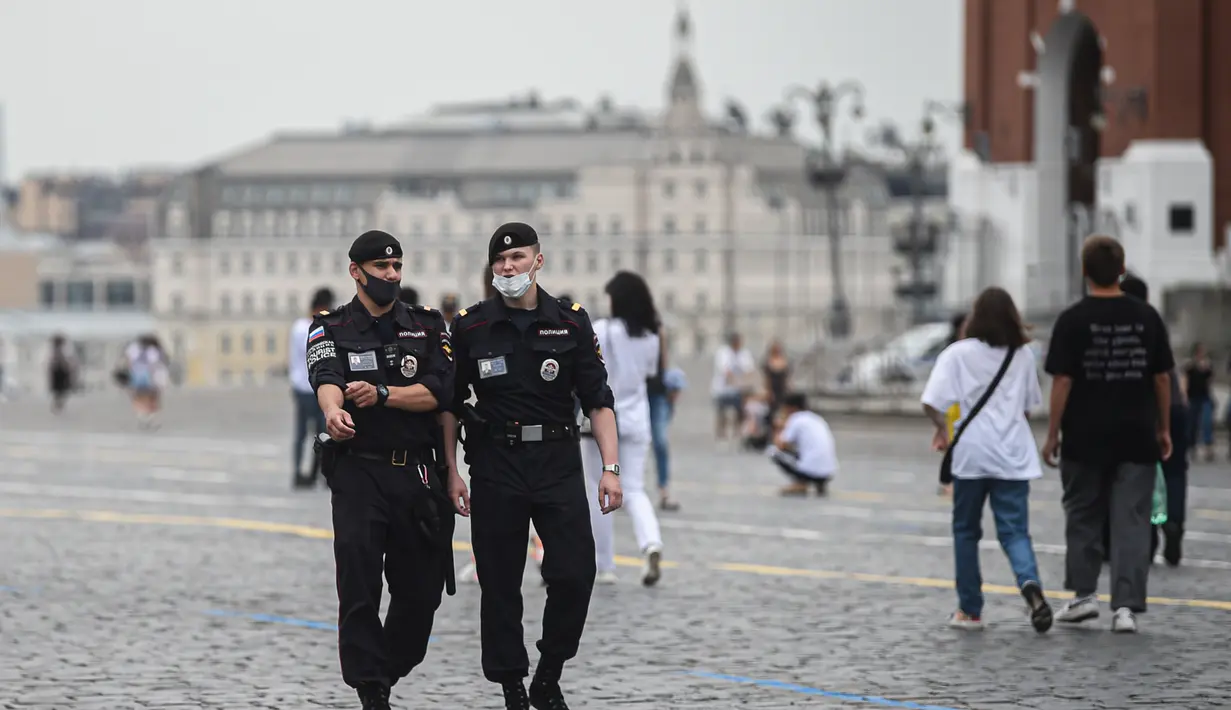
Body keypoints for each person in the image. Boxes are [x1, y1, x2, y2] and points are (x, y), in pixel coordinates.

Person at [441, 222, 621, 710]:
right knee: (499, 582)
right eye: (500, 261)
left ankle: (550, 670)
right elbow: (450, 405)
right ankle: (513, 687)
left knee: (575, 573)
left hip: (558, 461)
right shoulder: (471, 325)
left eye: (517, 258)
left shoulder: (571, 321)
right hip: (497, 463)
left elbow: (598, 400)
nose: (508, 267)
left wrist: (611, 468)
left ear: (538, 260)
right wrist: (452, 471)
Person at [306, 230, 457, 710]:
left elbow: (440, 392)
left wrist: (385, 394)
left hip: (415, 474)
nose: (391, 276)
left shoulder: (428, 326)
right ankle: (371, 690)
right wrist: (333, 412)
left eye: (397, 268)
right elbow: (326, 378)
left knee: (420, 594)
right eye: (381, 269)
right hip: (359, 472)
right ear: (357, 272)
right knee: (359, 581)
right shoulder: (329, 326)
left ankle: (385, 669)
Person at [1043, 234, 1174, 634]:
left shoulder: (1071, 319)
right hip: (1136, 435)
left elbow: (1062, 381)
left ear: (1084, 271)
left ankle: (1083, 597)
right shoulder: (1147, 317)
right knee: (1132, 521)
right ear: (1122, 269)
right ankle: (1126, 608)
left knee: (1083, 515)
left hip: (1084, 435)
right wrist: (1164, 427)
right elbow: (1162, 379)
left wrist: (1052, 435)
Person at [921, 287, 1052, 632]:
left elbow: (931, 401)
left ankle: (970, 610)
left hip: (971, 455)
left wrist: (943, 430)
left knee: (966, 530)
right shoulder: (1023, 356)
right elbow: (1028, 405)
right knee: (1015, 532)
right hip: (1012, 454)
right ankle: (1030, 584)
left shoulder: (957, 354)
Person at [581, 271, 666, 586]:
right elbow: (650, 374)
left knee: (597, 489)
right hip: (637, 417)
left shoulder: (604, 329)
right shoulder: (652, 335)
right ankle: (651, 543)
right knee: (634, 488)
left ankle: (604, 565)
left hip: (604, 419)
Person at [1119, 274, 1189, 566]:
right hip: (1177, 405)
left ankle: (1147, 533)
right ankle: (1173, 524)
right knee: (1174, 473)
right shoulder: (1155, 321)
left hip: (1146, 406)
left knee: (1140, 473)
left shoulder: (1124, 325)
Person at [289, 287, 334, 489]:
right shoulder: (312, 328)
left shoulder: (299, 326)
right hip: (311, 387)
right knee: (320, 433)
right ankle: (317, 474)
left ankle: (303, 473)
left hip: (301, 386)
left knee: (303, 434)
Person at [766, 392, 838, 497]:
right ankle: (820, 484)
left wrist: (778, 427)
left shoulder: (795, 419)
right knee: (808, 452)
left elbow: (781, 445)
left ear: (791, 408)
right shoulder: (817, 418)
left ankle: (801, 482)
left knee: (772, 451)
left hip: (810, 470)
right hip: (828, 472)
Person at [712, 332, 756, 440]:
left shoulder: (744, 354)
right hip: (723, 387)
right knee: (721, 410)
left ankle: (738, 430)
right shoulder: (723, 353)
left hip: (739, 387)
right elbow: (724, 369)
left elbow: (749, 369)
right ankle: (721, 432)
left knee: (739, 410)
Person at [123, 334, 170, 429]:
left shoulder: (134, 349)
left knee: (139, 398)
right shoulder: (153, 351)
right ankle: (149, 419)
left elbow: (129, 362)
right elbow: (156, 363)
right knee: (152, 399)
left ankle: (142, 417)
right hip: (150, 377)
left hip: (136, 376)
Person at [1182, 342, 1216, 462]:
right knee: (1193, 423)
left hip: (1205, 397)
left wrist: (1207, 368)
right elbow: (1185, 379)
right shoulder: (1190, 365)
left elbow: (1210, 381)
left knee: (1207, 422)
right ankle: (1192, 447)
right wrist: (1184, 395)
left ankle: (1208, 448)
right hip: (1193, 397)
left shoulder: (1207, 365)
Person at [47, 334, 76, 413]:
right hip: (60, 372)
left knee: (59, 391)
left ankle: (58, 404)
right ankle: (58, 404)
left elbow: (53, 362)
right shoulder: (59, 350)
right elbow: (61, 361)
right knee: (60, 390)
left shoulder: (56, 350)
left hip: (58, 372)